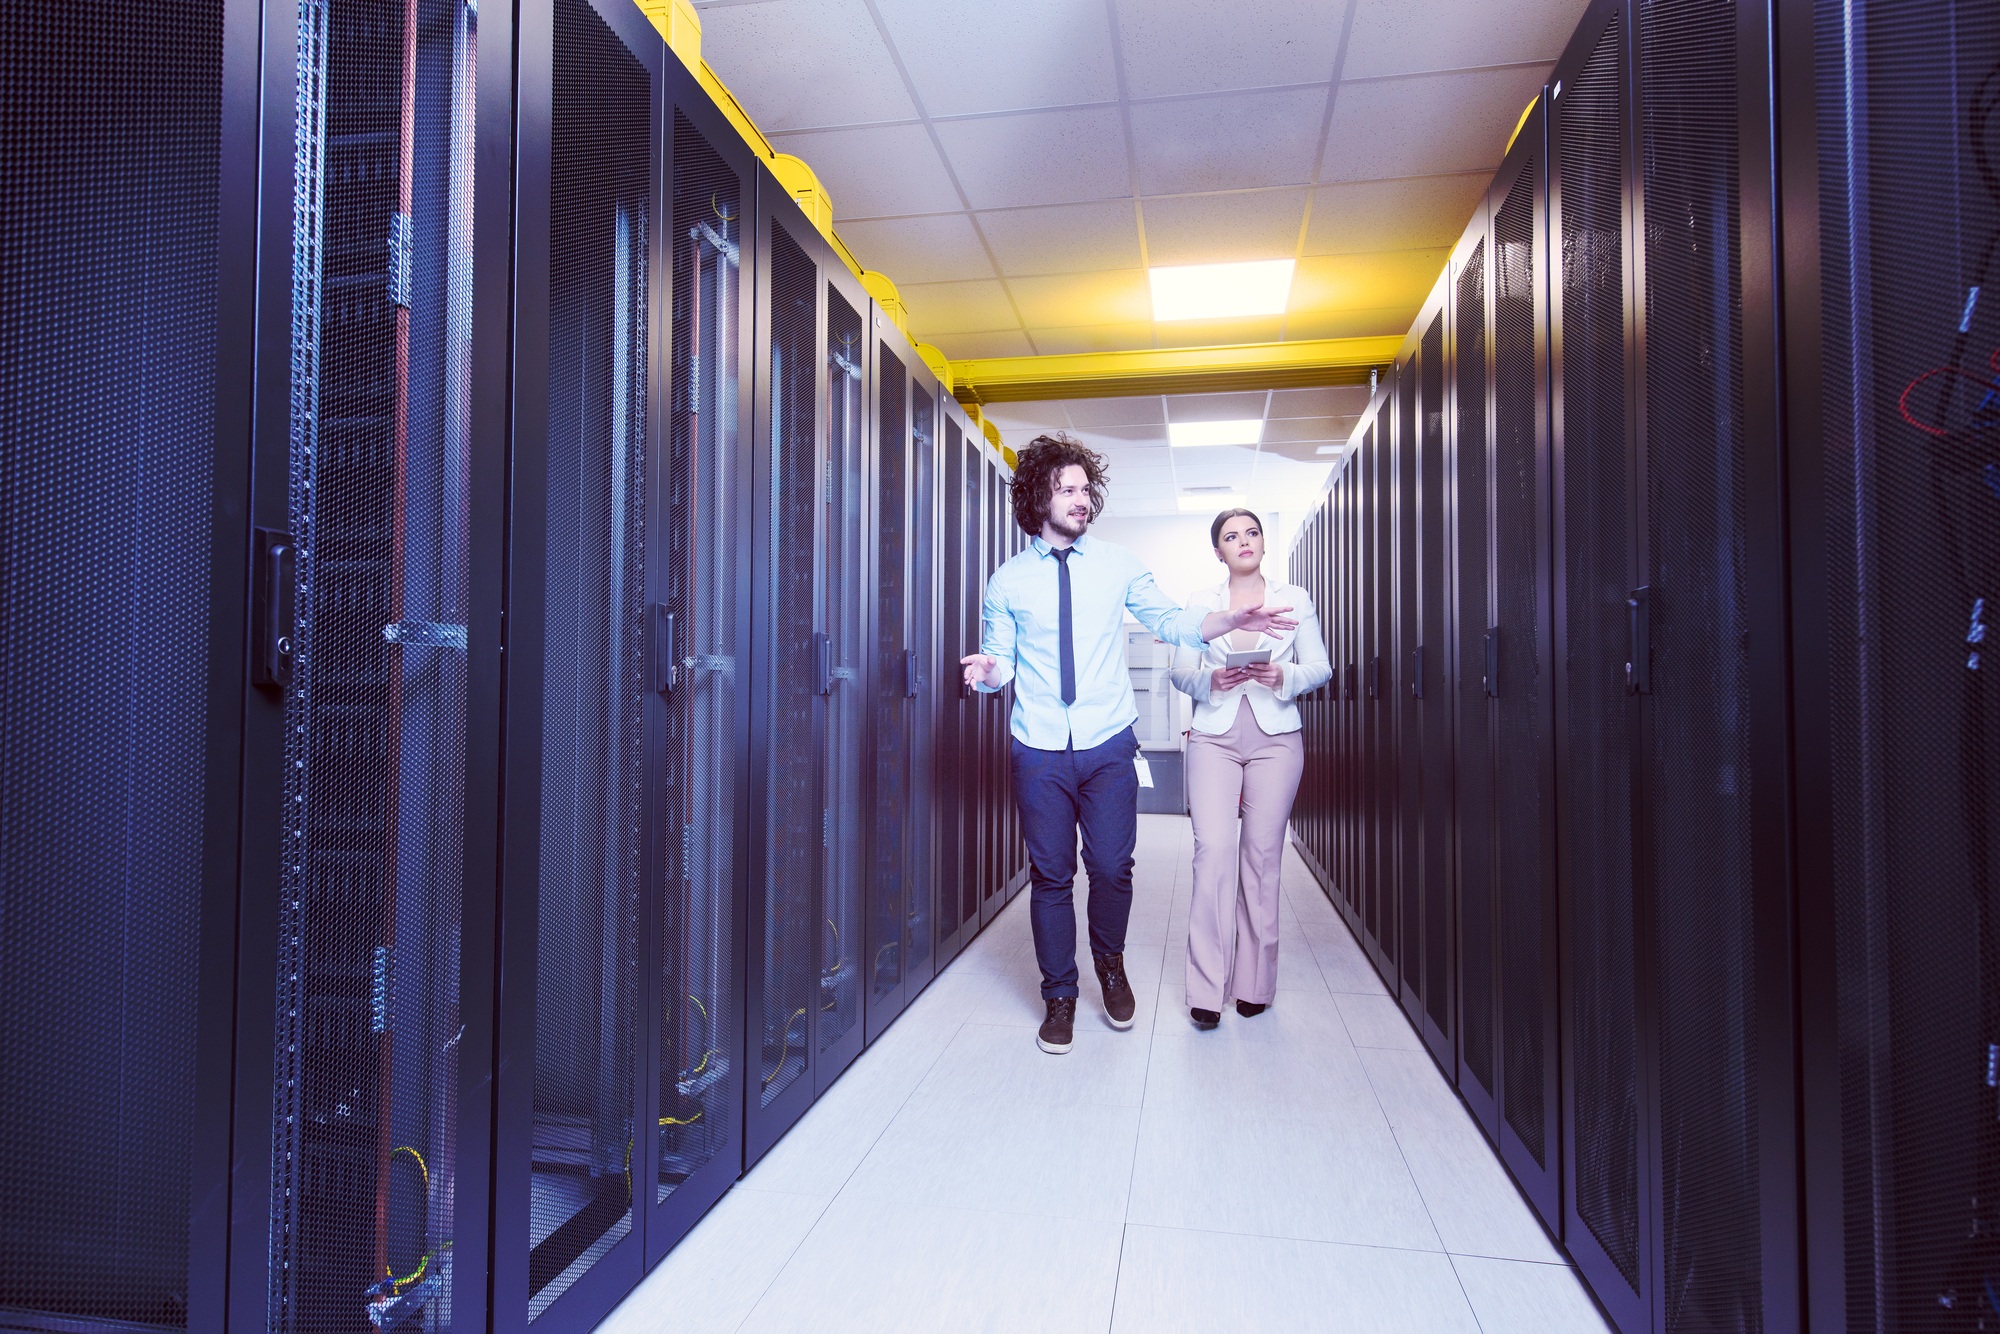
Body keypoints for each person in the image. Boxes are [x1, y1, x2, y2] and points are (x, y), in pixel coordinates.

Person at [961, 435, 1297, 1055]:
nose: (1081, 499)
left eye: (1085, 489)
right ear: (1039, 497)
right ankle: (1059, 994)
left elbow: (1171, 621)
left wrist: (1231, 620)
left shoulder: (1118, 564)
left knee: (1113, 867)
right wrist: (987, 673)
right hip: (1038, 745)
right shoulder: (1006, 581)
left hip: (1109, 741)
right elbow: (1003, 662)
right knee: (1051, 874)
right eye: (1067, 490)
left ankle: (1109, 967)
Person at [1166, 508, 1332, 1030]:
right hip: (1214, 735)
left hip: (1276, 737)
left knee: (1262, 858)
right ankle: (1206, 989)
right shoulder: (1199, 604)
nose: (1244, 541)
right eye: (1231, 536)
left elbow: (1320, 666)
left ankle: (1255, 984)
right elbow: (1180, 672)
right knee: (1213, 852)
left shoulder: (1294, 599)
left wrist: (1281, 673)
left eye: (1252, 532)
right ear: (1218, 550)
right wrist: (1208, 683)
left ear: (1263, 543)